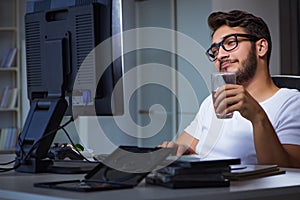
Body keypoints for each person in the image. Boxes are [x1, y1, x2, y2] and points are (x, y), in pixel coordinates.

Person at [159, 10, 300, 168]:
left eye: (230, 43)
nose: (219, 55)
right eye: (215, 51)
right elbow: (183, 145)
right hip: (200, 188)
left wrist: (257, 116)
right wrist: (182, 150)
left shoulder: (292, 104)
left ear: (261, 47)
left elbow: (290, 173)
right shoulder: (211, 103)